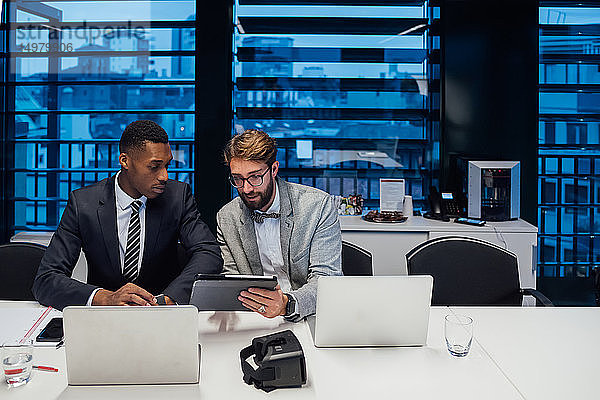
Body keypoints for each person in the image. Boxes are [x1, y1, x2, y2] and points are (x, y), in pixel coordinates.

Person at [33, 120, 223, 310]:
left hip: (162, 315)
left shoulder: (177, 197)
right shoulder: (84, 204)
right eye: (154, 166)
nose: (164, 176)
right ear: (125, 161)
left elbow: (208, 253)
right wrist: (105, 297)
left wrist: (169, 299)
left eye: (166, 165)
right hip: (104, 317)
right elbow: (46, 279)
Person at [216, 129, 342, 322]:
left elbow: (326, 280)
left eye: (255, 176)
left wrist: (287, 304)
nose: (247, 188)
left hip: (310, 314)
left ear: (274, 169)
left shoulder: (317, 206)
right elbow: (232, 279)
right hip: (254, 318)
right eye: (238, 179)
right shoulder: (227, 217)